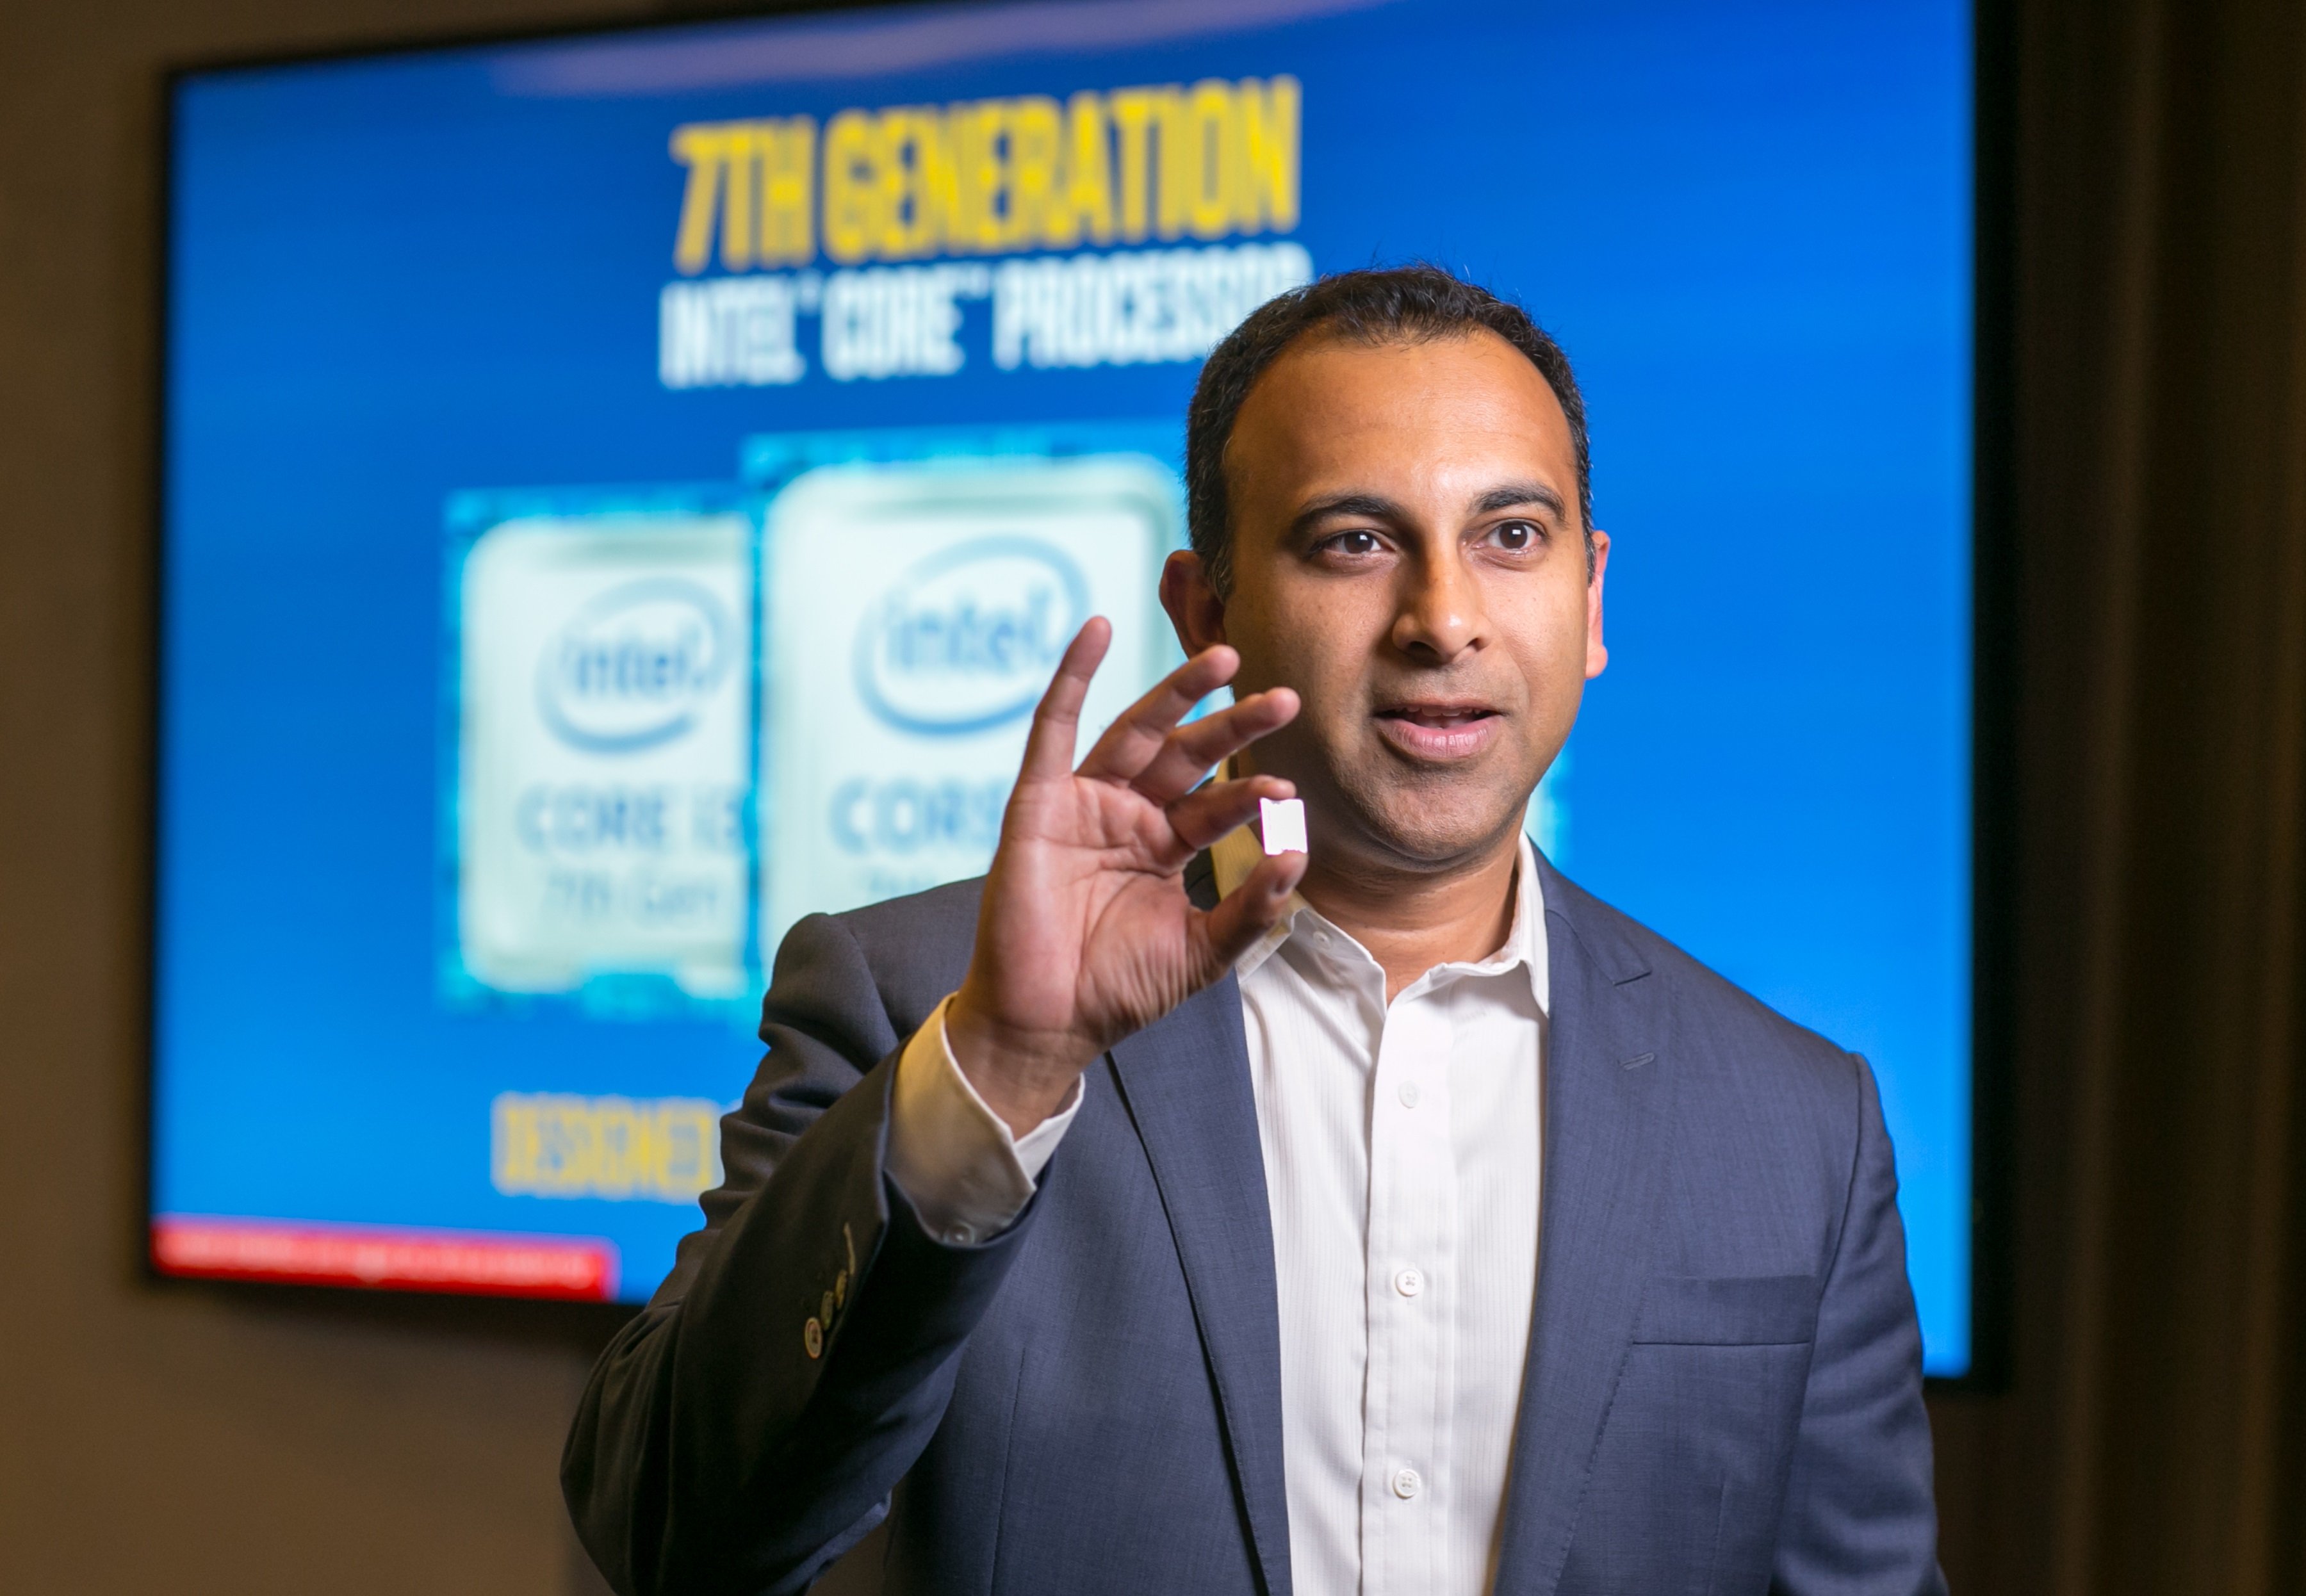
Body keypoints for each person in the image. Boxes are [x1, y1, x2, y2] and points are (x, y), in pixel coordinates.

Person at [563, 265, 1945, 1596]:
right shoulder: (920, 1000)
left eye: (1509, 536)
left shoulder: (1798, 1126)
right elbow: (674, 1538)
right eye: (1355, 540)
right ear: (1205, 611)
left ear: (1590, 598)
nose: (1443, 618)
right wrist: (1003, 1064)